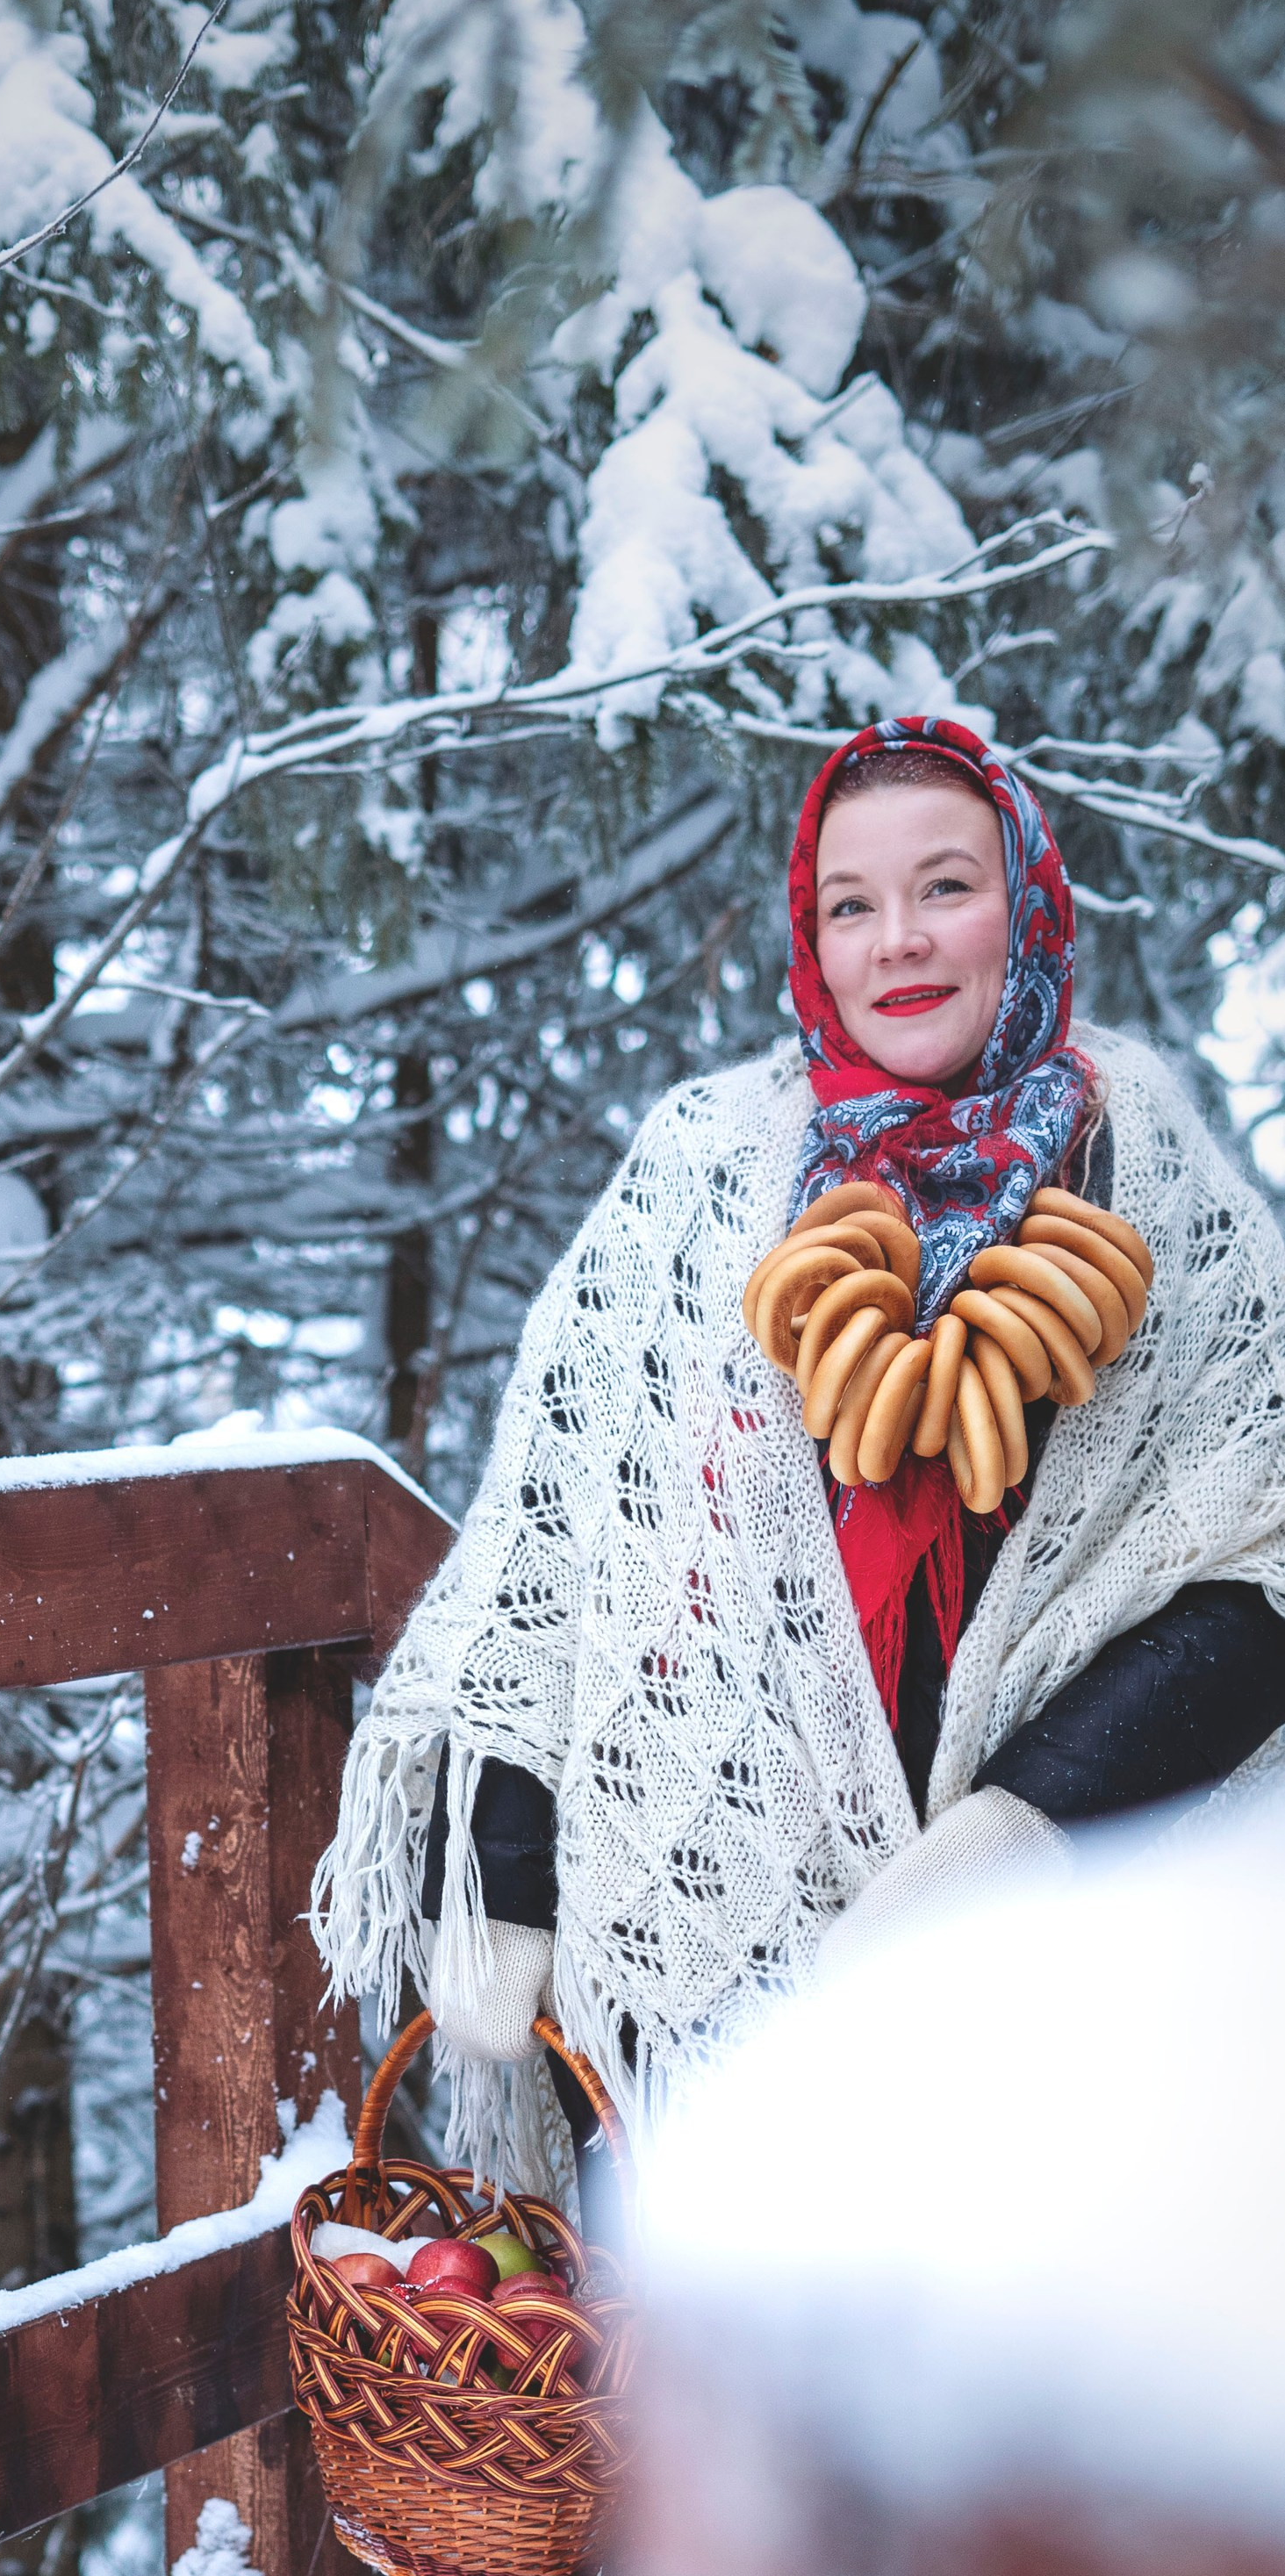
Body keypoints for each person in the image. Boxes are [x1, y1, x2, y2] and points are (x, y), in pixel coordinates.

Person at [313, 714, 1285, 2179]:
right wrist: (506, 1874)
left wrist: (1026, 1825)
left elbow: (1259, 1556)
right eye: (851, 904)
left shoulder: (1140, 1164)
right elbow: (557, 1552)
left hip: (1053, 1960)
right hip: (707, 1938)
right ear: (808, 937)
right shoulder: (702, 1168)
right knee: (720, 2380)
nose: (898, 940)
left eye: (944, 886)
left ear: (1025, 903)